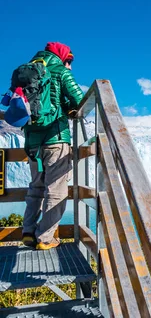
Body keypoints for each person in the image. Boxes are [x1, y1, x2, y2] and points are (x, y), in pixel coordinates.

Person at [22, 42, 84, 250]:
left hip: (32, 142)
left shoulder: (28, 71)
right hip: (55, 139)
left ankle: (28, 232)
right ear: (62, 58)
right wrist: (71, 109)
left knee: (36, 187)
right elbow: (80, 99)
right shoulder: (60, 72)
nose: (71, 67)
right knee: (56, 189)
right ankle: (45, 238)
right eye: (69, 61)